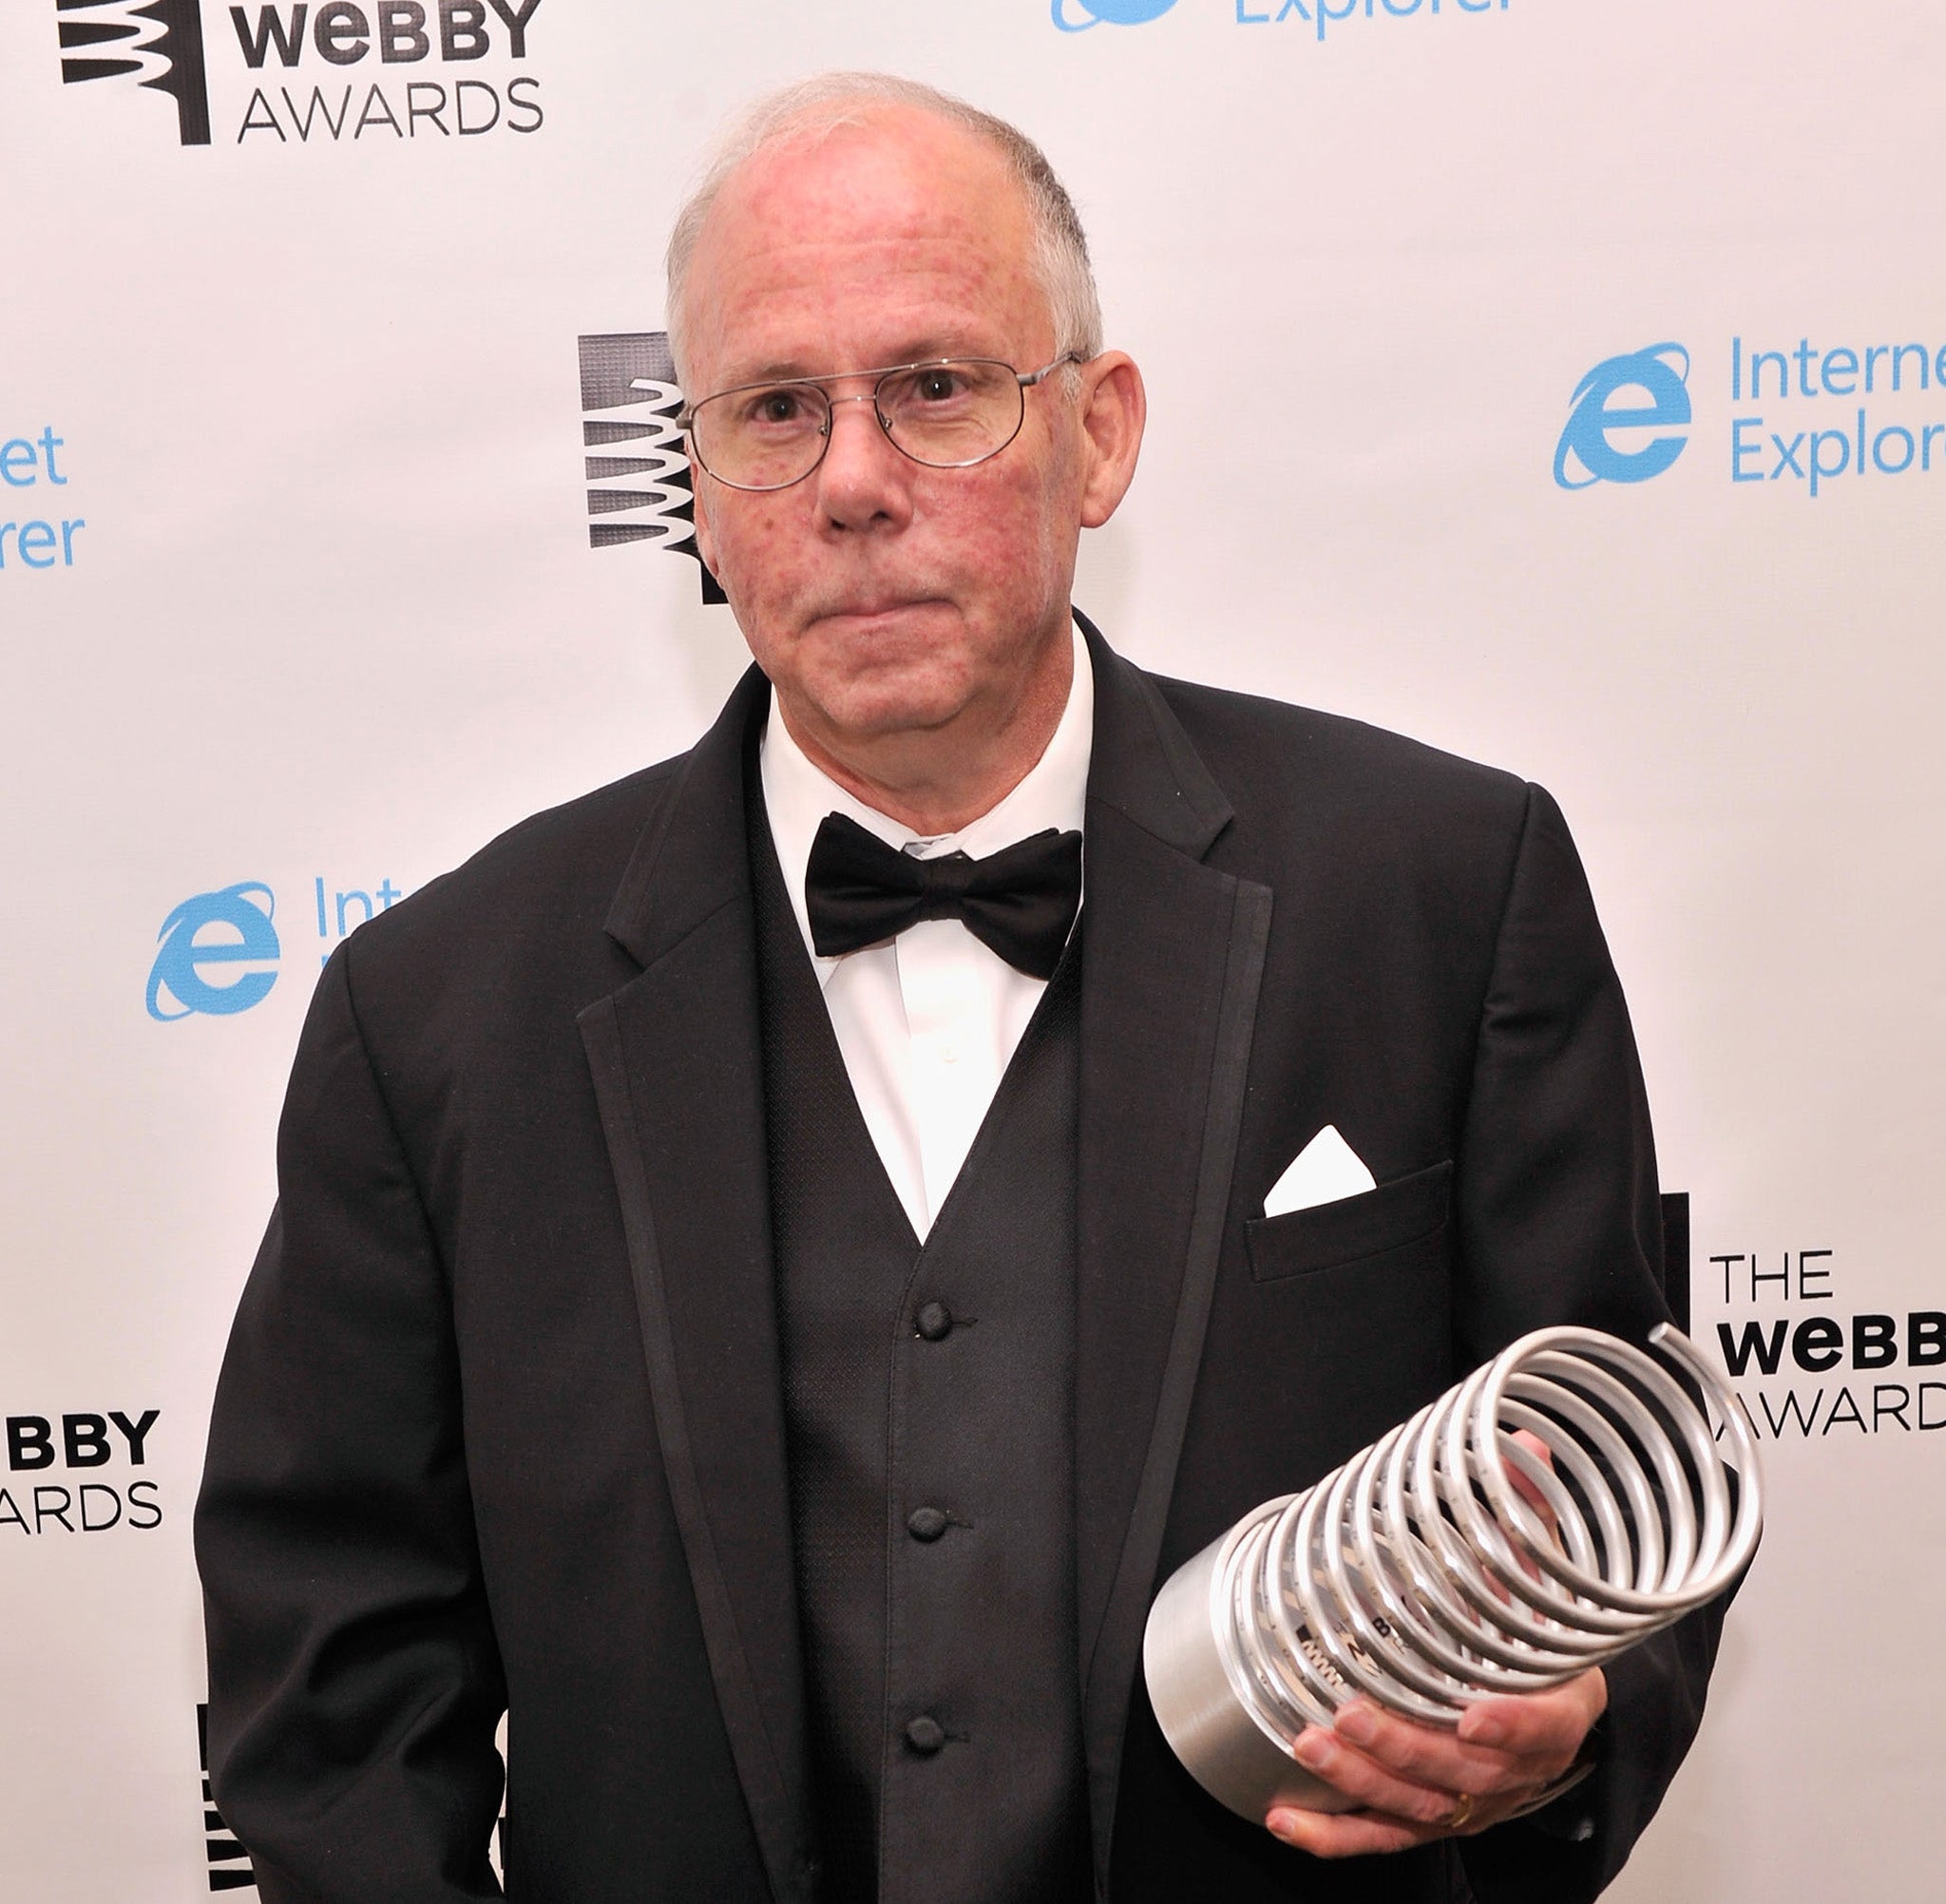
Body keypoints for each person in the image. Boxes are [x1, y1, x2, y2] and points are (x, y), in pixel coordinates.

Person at [196, 72, 1727, 1904]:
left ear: (1098, 431)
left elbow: (1621, 1498)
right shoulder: (434, 1011)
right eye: (775, 408)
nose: (851, 482)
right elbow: (331, 1683)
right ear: (695, 477)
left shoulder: (1444, 894)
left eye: (933, 387)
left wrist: (1561, 1736)